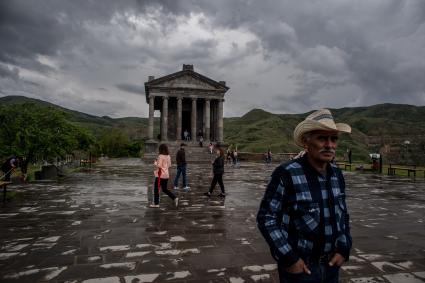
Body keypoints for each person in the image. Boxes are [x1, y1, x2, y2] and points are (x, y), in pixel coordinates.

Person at [257, 109, 352, 283]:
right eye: (322, 138)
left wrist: (344, 248)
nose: (330, 145)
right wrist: (290, 258)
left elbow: (343, 215)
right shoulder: (286, 173)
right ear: (306, 142)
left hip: (331, 266)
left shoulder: (337, 174)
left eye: (334, 139)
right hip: (301, 268)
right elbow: (266, 218)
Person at [150, 144, 179, 208]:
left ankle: (156, 203)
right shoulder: (168, 156)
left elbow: (159, 166)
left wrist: (155, 162)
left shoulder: (160, 156)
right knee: (164, 189)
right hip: (166, 174)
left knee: (156, 189)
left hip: (160, 175)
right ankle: (174, 197)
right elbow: (169, 165)